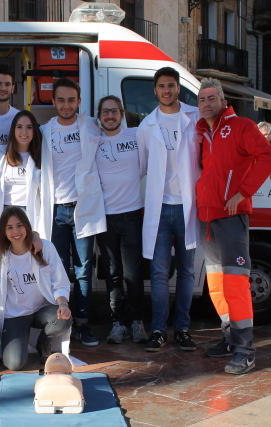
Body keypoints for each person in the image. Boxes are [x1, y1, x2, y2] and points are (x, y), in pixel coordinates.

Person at [197, 78, 271, 374]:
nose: (206, 103)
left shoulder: (241, 126)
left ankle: (245, 350)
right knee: (216, 285)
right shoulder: (202, 131)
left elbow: (268, 157)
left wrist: (242, 193)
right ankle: (230, 337)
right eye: (202, 99)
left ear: (222, 100)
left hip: (231, 216)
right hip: (207, 218)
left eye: (211, 98)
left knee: (235, 283)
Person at [137, 67, 201, 352]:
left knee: (187, 271)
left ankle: (183, 329)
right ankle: (158, 331)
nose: (166, 90)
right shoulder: (146, 126)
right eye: (161, 86)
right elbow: (141, 166)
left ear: (178, 88)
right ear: (155, 90)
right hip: (160, 208)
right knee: (159, 272)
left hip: (188, 206)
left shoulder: (194, 117)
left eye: (171, 85)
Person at [38, 78, 106, 347]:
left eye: (71, 100)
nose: (66, 105)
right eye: (61, 100)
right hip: (54, 210)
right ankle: (59, 324)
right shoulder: (44, 131)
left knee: (83, 270)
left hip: (83, 208)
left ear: (79, 101)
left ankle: (82, 324)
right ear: (53, 102)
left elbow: (117, 133)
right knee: (57, 270)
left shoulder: (91, 126)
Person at [93, 96, 147, 345]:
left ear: (122, 114)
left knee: (133, 274)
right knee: (113, 274)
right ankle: (119, 323)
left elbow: (145, 166)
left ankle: (137, 322)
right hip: (104, 218)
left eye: (114, 111)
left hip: (132, 215)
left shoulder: (136, 135)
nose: (110, 116)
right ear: (99, 116)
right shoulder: (94, 141)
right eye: (105, 112)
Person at [0, 207, 72, 370]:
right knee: (14, 363)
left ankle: (44, 342)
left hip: (42, 310)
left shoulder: (45, 248)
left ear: (27, 226)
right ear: (3, 231)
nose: (15, 231)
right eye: (9, 227)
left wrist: (63, 304)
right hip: (15, 315)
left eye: (19, 225)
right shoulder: (0, 252)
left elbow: (59, 281)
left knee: (63, 320)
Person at [0, 110, 43, 231]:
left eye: (29, 127)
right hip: (5, 212)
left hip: (29, 214)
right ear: (13, 130)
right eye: (19, 127)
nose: (24, 131)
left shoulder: (41, 156)